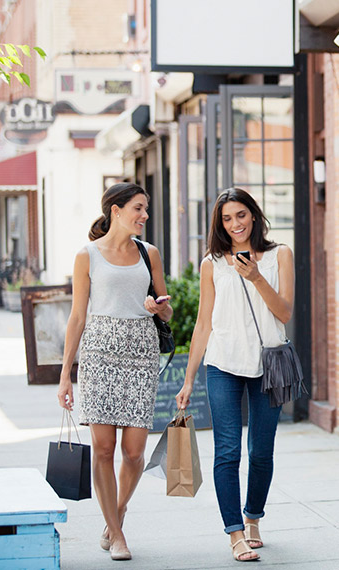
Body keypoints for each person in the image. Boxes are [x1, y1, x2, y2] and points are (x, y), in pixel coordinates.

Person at [176, 188, 294, 562]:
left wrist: (257, 276)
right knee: (226, 452)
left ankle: (254, 516)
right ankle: (235, 533)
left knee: (261, 451)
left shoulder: (280, 255)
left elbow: (285, 312)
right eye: (227, 219)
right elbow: (203, 322)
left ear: (254, 216)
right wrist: (189, 377)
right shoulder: (212, 263)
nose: (235, 224)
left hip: (268, 368)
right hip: (223, 364)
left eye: (241, 215)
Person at [57, 183, 172, 562]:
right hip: (99, 355)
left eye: (146, 208)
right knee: (103, 449)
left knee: (135, 452)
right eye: (139, 208)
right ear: (116, 210)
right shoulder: (87, 255)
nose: (145, 215)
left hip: (140, 352)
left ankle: (117, 513)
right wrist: (65, 375)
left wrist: (159, 310)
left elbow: (167, 311)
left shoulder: (148, 253)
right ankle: (117, 534)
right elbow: (77, 317)